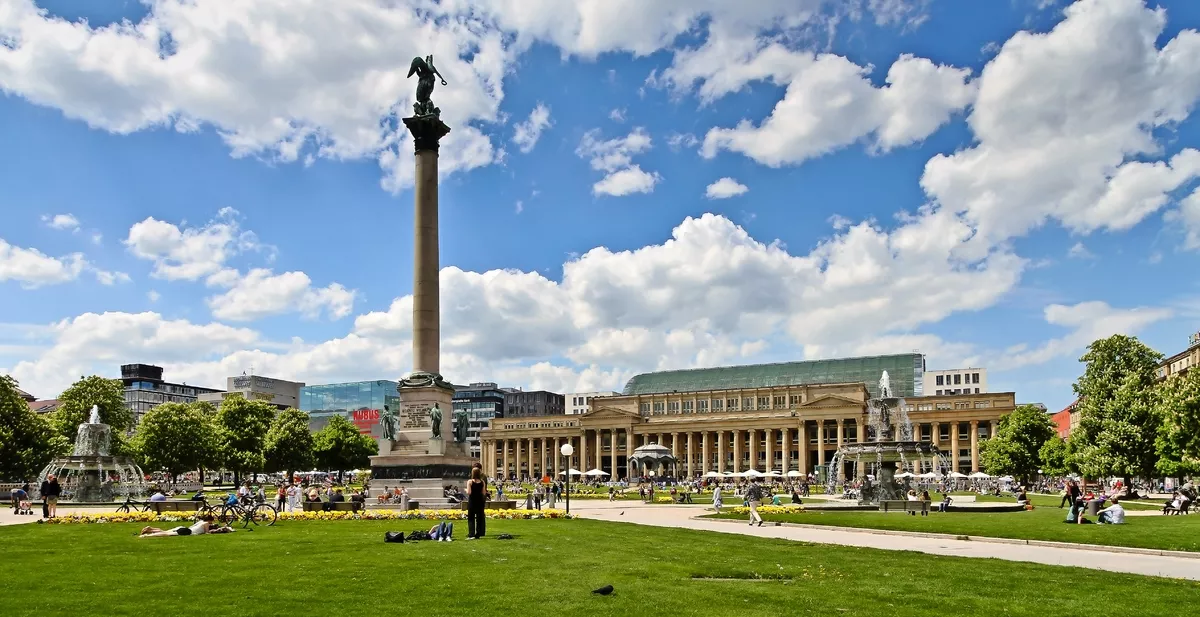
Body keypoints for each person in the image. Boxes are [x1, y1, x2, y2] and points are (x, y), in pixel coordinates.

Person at [138, 514, 235, 537]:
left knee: (165, 531)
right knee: (166, 534)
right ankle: (147, 535)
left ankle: (151, 529)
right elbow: (207, 532)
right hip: (188, 532)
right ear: (209, 520)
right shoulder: (206, 523)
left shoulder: (201, 521)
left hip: (185, 528)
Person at [466, 465, 487, 540]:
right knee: (479, 518)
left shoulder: (470, 482)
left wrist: (466, 490)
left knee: (471, 518)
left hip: (472, 501)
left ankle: (471, 533)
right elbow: (484, 492)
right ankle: (478, 533)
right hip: (480, 501)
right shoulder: (482, 482)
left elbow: (469, 492)